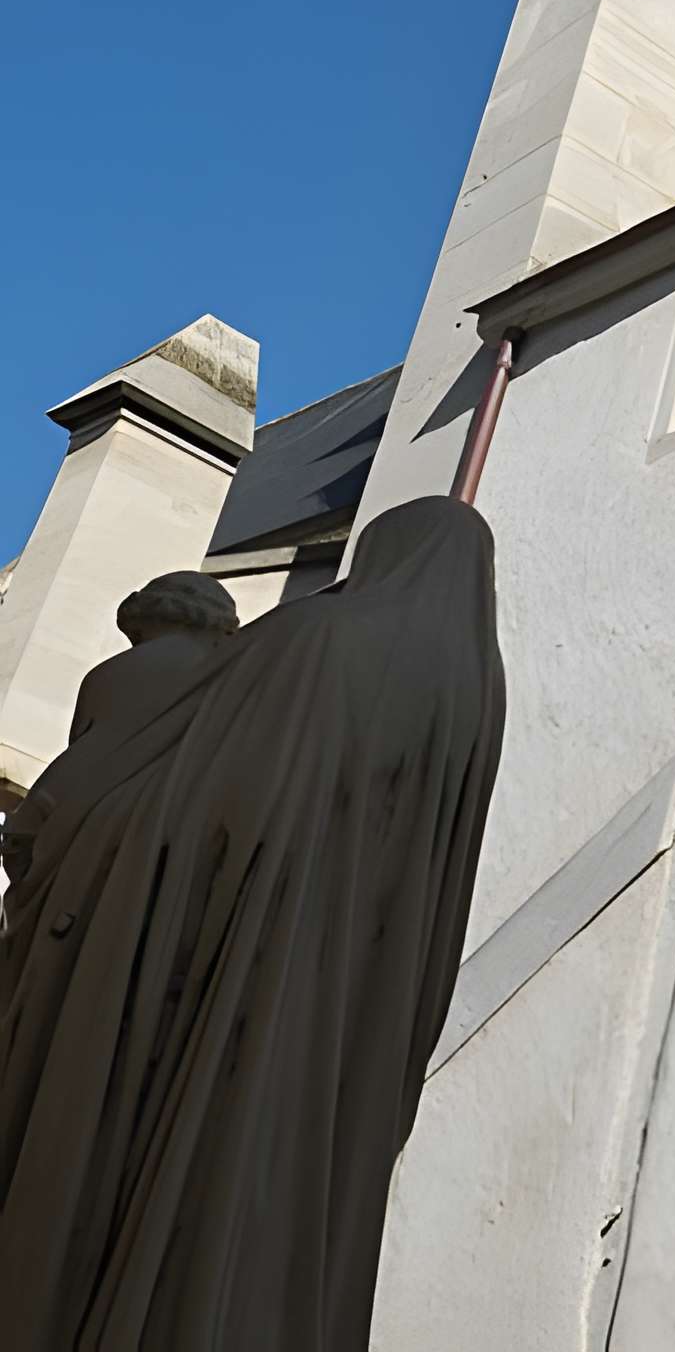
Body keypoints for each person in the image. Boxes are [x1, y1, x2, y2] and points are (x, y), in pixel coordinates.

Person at [0, 496, 504, 1350]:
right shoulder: (477, 698)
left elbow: (201, 794)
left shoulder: (320, 638)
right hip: (349, 1006)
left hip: (236, 947)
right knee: (269, 1201)